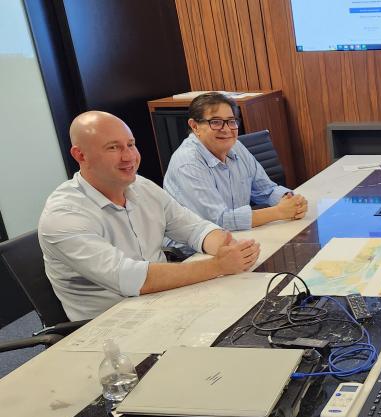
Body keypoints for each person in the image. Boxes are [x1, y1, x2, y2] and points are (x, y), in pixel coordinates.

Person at [38, 111, 260, 321]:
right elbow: (128, 277)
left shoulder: (141, 186)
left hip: (166, 302)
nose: (129, 157)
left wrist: (225, 246)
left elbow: (193, 227)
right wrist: (218, 266)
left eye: (131, 145)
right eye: (113, 148)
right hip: (112, 326)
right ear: (80, 155)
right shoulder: (63, 215)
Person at [163, 92, 307, 250]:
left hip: (236, 238)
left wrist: (291, 201)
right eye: (216, 122)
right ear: (195, 126)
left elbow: (266, 189)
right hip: (191, 253)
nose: (226, 129)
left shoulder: (235, 146)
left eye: (231, 121)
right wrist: (279, 212)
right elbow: (219, 221)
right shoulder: (188, 163)